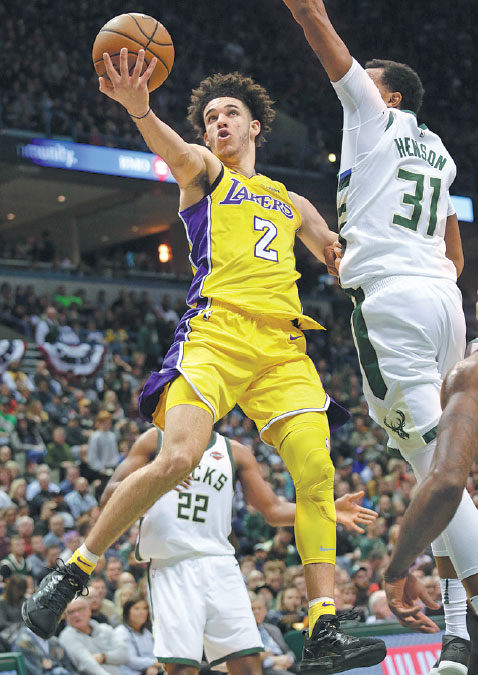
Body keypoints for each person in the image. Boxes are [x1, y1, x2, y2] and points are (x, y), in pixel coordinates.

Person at [23, 47, 386, 674]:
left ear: (256, 127)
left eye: (230, 114)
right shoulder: (207, 174)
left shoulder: (293, 202)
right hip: (216, 333)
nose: (218, 123)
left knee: (317, 471)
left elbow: (337, 253)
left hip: (281, 350)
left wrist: (352, 255)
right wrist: (140, 111)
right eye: (211, 116)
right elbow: (176, 152)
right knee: (179, 457)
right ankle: (73, 570)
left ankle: (323, 627)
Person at [282, 1, 478, 671]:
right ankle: (458, 634)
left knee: (438, 476)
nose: (356, 83)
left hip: (394, 304)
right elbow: (454, 252)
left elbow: (316, 24)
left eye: (368, 79)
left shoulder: (372, 114)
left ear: (388, 95)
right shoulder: (439, 151)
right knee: (437, 470)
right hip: (444, 303)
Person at [100, 427, 377, 674]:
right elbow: (108, 496)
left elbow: (273, 509)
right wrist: (152, 477)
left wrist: (326, 510)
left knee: (247, 663)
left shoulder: (235, 451)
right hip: (171, 562)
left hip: (221, 563)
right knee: (182, 667)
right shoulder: (155, 440)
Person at [382, 353, 478, 657]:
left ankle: (457, 634)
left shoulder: (468, 374)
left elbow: (445, 486)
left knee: (432, 466)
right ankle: (457, 634)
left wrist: (396, 570)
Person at [59, 595, 129, 674]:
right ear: (66, 616)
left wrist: (103, 657)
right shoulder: (67, 636)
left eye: (80, 609)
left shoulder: (105, 629)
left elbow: (125, 654)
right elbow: (86, 663)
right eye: (71, 612)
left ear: (89, 610)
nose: (76, 614)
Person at [114, 594, 162, 675]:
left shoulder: (147, 632)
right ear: (127, 611)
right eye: (136, 609)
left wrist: (153, 666)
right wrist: (154, 664)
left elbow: (153, 655)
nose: (141, 612)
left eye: (144, 608)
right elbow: (130, 660)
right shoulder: (121, 632)